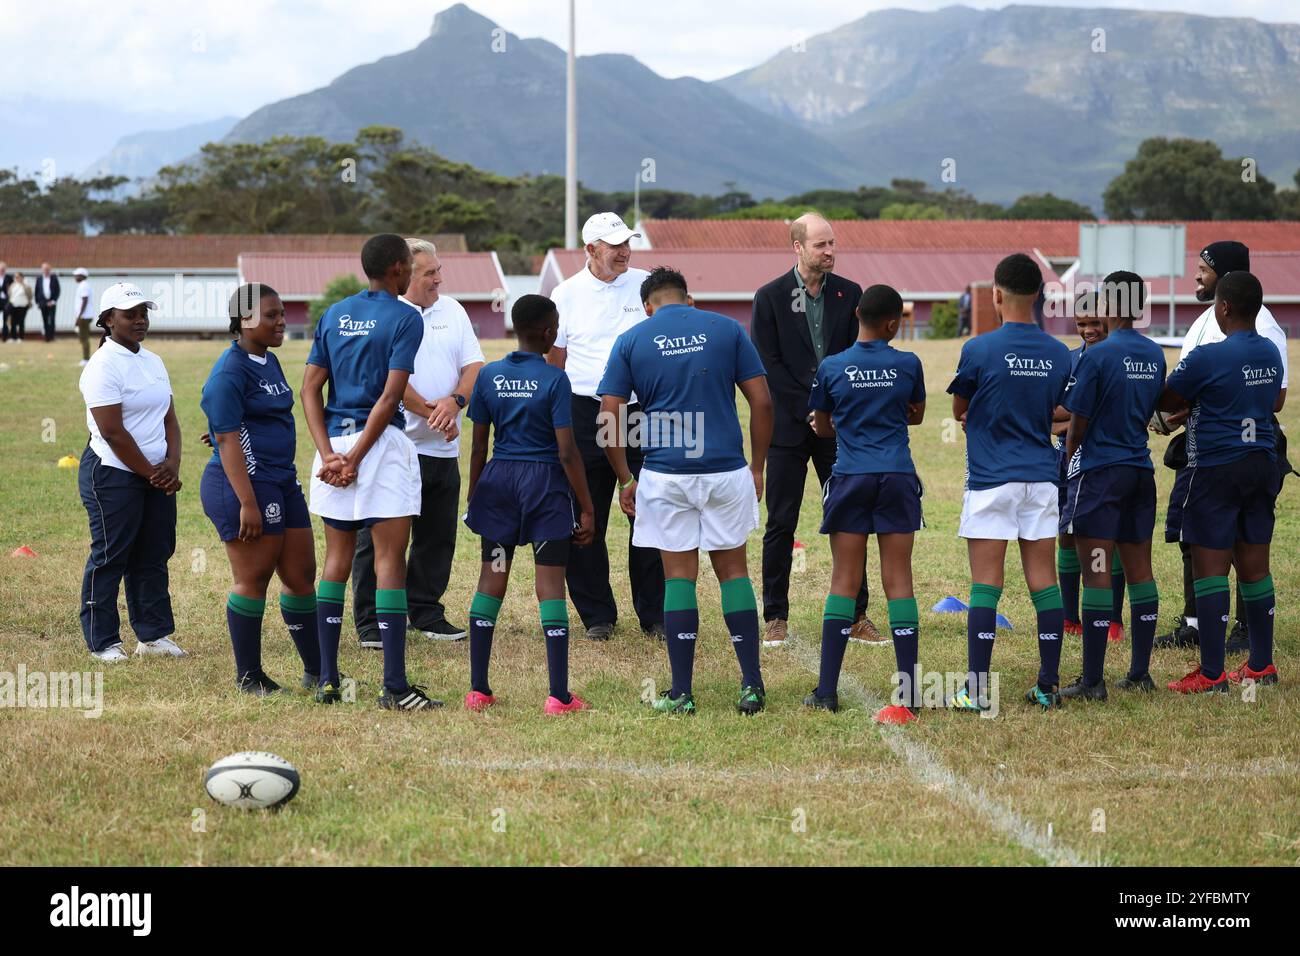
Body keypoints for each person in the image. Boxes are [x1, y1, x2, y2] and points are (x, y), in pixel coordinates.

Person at [599, 267, 774, 715]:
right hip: (726, 469)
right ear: (689, 300)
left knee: (679, 578)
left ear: (648, 306)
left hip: (664, 472)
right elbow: (763, 401)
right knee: (734, 573)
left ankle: (681, 693)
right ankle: (751, 686)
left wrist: (624, 478)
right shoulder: (726, 329)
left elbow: (609, 416)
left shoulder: (633, 339)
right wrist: (757, 467)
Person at [301, 233, 440, 711]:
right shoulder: (407, 316)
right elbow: (391, 396)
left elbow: (309, 391)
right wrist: (357, 458)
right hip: (377, 448)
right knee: (388, 562)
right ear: (400, 269)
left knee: (335, 562)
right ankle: (395, 687)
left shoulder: (334, 313)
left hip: (333, 444)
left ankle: (326, 679)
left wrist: (330, 455)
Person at [947, 253, 1070, 711]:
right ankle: (1048, 685)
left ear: (996, 295)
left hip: (991, 478)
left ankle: (976, 690)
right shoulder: (1059, 352)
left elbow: (960, 410)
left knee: (985, 585)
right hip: (1041, 478)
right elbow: (1062, 409)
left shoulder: (978, 349)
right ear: (1039, 296)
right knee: (1045, 583)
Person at [463, 294, 596, 714]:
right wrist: (587, 507)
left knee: (493, 575)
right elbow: (567, 451)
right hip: (544, 488)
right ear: (548, 332)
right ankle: (558, 696)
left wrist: (474, 493)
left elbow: (480, 442)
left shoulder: (489, 375)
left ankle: (478, 690)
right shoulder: (556, 379)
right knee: (549, 585)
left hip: (499, 484)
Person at [1155, 241, 1289, 655]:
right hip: (1254, 460)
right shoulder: (1261, 345)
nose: (1196, 275)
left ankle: (1214, 668)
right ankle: (1252, 658)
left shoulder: (1234, 345)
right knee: (1243, 554)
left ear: (1226, 304)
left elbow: (1169, 399)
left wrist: (1192, 404)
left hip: (1216, 460)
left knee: (1214, 554)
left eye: (1203, 269)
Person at [749, 212, 877, 647]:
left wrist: (830, 409)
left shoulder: (851, 294)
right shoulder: (768, 297)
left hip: (839, 426)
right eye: (821, 245)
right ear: (798, 248)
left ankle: (857, 614)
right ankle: (775, 617)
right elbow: (769, 365)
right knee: (781, 522)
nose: (830, 251)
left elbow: (856, 355)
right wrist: (811, 407)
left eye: (833, 244)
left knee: (848, 518)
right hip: (787, 427)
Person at [351, 238, 484, 647]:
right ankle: (371, 620)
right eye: (429, 273)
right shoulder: (387, 314)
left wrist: (456, 401)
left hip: (442, 449)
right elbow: (390, 382)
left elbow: (473, 364)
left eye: (439, 270)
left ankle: (425, 612)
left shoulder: (454, 310)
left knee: (437, 536)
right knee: (379, 537)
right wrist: (434, 413)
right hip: (396, 445)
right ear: (404, 273)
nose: (438, 279)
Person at [804, 284, 926, 724]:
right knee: (900, 581)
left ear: (857, 314)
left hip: (851, 475)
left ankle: (827, 691)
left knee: (844, 579)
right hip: (896, 475)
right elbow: (916, 414)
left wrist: (844, 421)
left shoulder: (832, 366)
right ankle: (909, 693)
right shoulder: (908, 363)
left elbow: (820, 426)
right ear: (894, 323)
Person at [547, 212, 665, 641]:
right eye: (614, 245)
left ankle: (654, 613)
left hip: (641, 410)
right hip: (584, 411)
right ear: (590, 249)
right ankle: (597, 614)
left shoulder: (646, 285)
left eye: (627, 243)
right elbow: (555, 362)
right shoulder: (565, 293)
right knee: (584, 514)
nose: (624, 251)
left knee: (650, 510)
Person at [199, 284, 322, 695]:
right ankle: (249, 676)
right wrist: (248, 503)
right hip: (246, 487)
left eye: (282, 314)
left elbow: (241, 422)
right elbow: (230, 439)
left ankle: (318, 670)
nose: (281, 321)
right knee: (254, 577)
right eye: (271, 315)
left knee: (302, 574)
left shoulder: (267, 361)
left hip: (282, 479)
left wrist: (223, 428)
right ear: (243, 320)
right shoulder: (230, 370)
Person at [1058, 271, 1166, 700]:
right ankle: (1140, 672)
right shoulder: (1156, 354)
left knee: (1097, 573)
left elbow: (1077, 423)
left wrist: (1069, 458)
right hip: (1140, 472)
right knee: (1140, 571)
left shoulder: (1096, 356)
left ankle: (1092, 681)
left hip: (1101, 474)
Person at [77, 281, 184, 661]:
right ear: (108, 320)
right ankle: (103, 641)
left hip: (155, 472)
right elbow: (112, 432)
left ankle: (153, 636)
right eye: (130, 315)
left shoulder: (153, 361)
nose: (140, 321)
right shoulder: (101, 367)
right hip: (112, 472)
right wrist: (154, 474)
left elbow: (169, 418)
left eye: (144, 313)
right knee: (111, 554)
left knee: (154, 552)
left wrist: (171, 464)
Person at [1054, 296, 1126, 640]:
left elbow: (1092, 409)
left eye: (1096, 322)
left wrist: (1068, 416)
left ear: (1110, 320)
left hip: (1102, 460)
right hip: (1065, 459)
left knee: (1108, 539)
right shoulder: (1068, 360)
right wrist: (1068, 418)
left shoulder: (1115, 359)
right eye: (1082, 324)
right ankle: (1069, 617)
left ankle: (1114, 619)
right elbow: (1051, 409)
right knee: (1066, 535)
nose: (1089, 330)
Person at [34, 263, 60, 343]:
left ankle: (52, 336)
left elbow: (57, 290)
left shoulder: (54, 278)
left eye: (47, 269)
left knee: (51, 320)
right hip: (43, 303)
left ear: (50, 270)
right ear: (42, 270)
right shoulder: (39, 279)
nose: (46, 271)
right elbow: (37, 291)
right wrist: (38, 302)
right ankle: (47, 338)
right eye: (44, 269)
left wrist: (53, 301)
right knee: (45, 320)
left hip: (52, 302)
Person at [73, 267, 94, 366]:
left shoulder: (84, 285)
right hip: (84, 316)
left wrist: (79, 316)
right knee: (83, 337)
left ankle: (86, 359)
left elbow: (84, 300)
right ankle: (86, 358)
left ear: (82, 276)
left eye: (77, 275)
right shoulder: (83, 285)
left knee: (84, 338)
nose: (75, 277)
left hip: (84, 316)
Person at [5, 271, 31, 342]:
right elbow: (10, 294)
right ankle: (13, 337)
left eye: (17, 277)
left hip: (23, 306)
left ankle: (21, 337)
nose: (16, 278)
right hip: (13, 306)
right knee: (12, 322)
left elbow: (30, 295)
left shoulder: (26, 286)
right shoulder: (13, 285)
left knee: (21, 322)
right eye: (15, 277)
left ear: (22, 278)